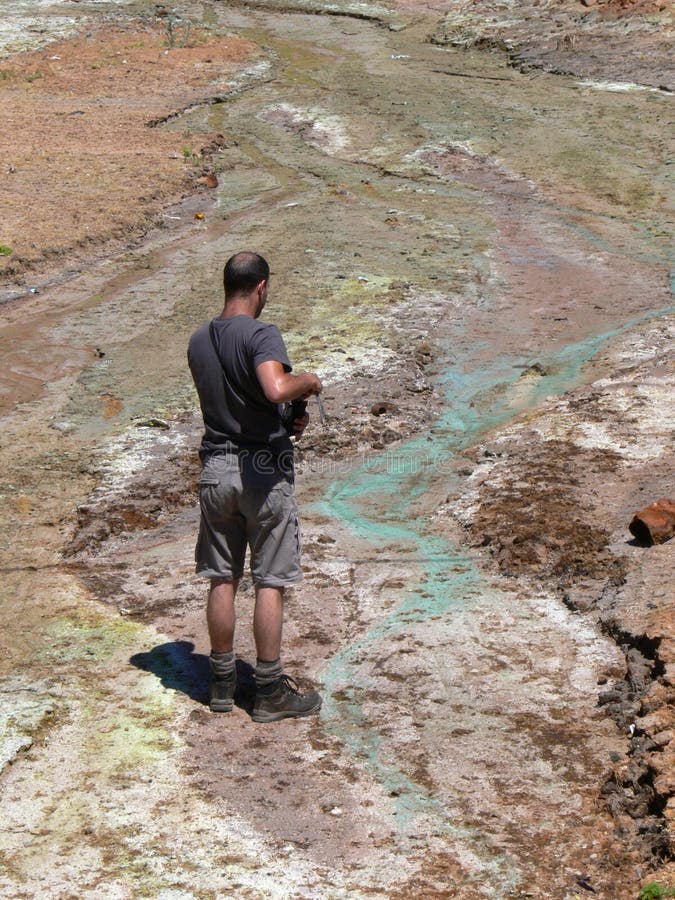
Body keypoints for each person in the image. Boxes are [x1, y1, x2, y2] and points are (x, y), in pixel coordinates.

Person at [187, 251, 323, 723]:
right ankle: (268, 690)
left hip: (215, 469)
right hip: (262, 474)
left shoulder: (199, 340)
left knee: (221, 576)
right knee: (271, 579)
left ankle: (222, 682)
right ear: (261, 287)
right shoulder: (262, 333)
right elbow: (272, 389)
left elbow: (232, 403)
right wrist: (306, 381)